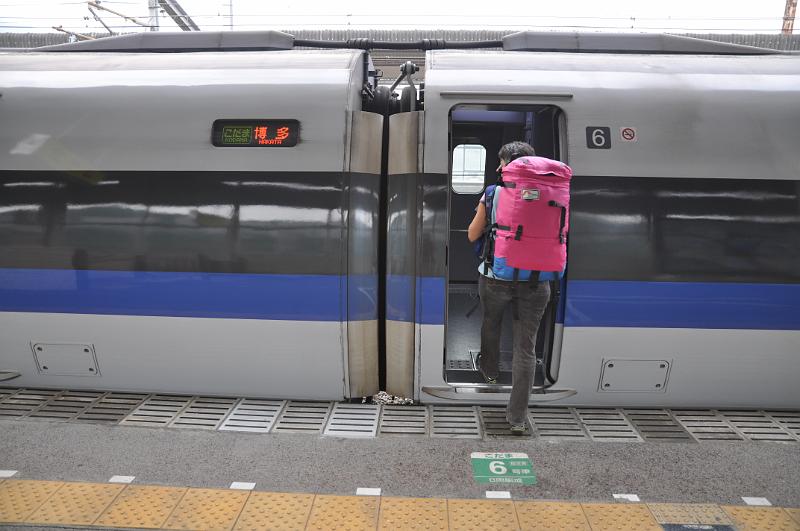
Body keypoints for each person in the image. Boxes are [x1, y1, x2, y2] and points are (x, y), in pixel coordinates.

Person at [467, 141, 552, 435]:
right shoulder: (554, 194)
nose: (497, 167)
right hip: (537, 281)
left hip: (495, 278)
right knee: (525, 348)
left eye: (501, 161)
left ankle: (490, 373)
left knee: (491, 323)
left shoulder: (493, 193)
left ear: (510, 164)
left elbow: (472, 234)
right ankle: (517, 418)